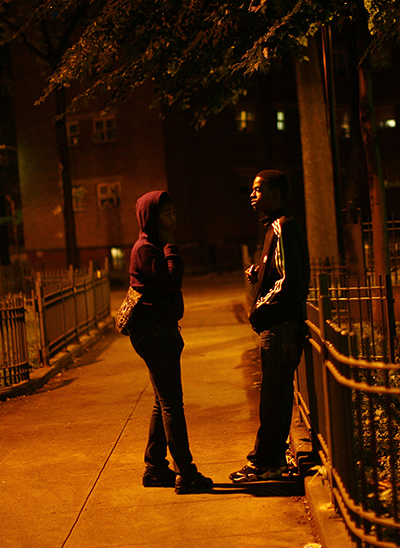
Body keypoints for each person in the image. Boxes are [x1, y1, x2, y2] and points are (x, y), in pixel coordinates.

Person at [128, 190, 213, 494]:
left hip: (159, 330)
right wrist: (172, 247)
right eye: (167, 214)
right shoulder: (147, 249)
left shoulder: (151, 246)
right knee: (171, 404)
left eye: (174, 212)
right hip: (154, 332)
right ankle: (186, 472)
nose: (174, 218)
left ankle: (155, 468)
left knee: (161, 400)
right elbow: (172, 281)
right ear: (152, 218)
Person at [230, 170, 310, 483]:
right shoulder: (275, 228)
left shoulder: (282, 227)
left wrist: (259, 309)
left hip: (279, 327)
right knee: (274, 398)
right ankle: (270, 459)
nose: (253, 194)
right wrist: (258, 271)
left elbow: (290, 279)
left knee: (273, 399)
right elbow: (278, 269)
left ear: (275, 194)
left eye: (258, 189)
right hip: (280, 327)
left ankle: (265, 463)